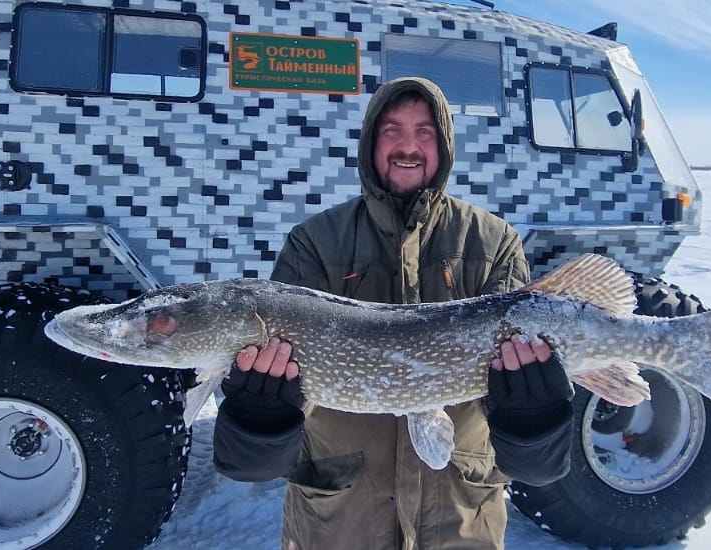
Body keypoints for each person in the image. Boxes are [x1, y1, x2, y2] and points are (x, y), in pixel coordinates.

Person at [212, 77, 576, 550]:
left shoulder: (492, 243)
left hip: (463, 526)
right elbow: (251, 466)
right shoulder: (315, 244)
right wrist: (259, 418)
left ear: (444, 146)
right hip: (338, 526)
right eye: (392, 129)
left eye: (425, 131)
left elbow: (538, 468)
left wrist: (534, 420)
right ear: (369, 142)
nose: (409, 146)